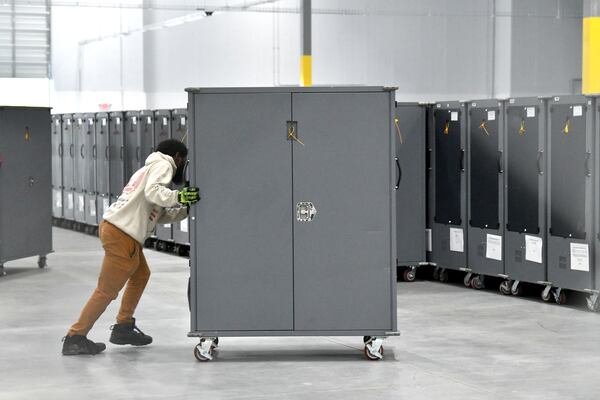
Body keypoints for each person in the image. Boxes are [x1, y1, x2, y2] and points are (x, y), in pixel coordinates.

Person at [62, 139, 200, 356]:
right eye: (184, 161)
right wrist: (179, 196)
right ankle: (75, 337)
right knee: (106, 290)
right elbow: (154, 194)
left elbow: (159, 213)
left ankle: (123, 327)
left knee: (141, 274)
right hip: (121, 234)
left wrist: (185, 209)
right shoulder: (164, 165)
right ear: (178, 157)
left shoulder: (147, 169)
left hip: (119, 231)